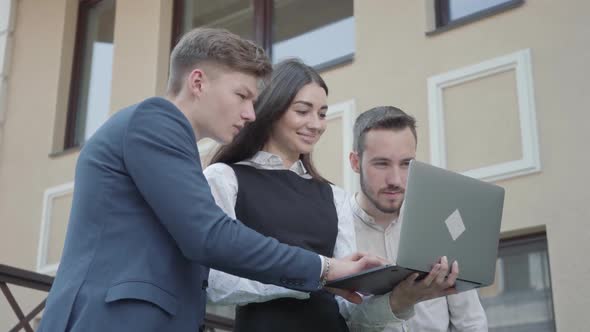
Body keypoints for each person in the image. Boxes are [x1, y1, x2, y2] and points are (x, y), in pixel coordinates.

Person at [37, 28, 383, 332]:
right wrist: (324, 269)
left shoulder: (173, 143)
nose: (250, 113)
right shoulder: (155, 121)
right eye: (242, 95)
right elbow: (209, 235)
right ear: (198, 82)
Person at [204, 59, 458, 332]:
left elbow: (353, 311)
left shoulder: (334, 196)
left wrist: (403, 299)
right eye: (303, 111)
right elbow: (216, 283)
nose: (316, 124)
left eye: (322, 114)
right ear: (271, 109)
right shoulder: (225, 179)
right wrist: (318, 274)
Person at [346, 106, 488, 331]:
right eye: (381, 163)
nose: (396, 179)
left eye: (406, 164)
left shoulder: (439, 224)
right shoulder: (335, 230)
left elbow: (470, 320)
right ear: (355, 162)